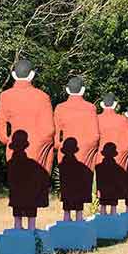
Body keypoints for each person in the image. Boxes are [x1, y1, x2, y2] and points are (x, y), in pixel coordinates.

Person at [0, 60, 54, 230]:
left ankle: (17, 224)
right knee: (32, 186)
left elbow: (1, 128)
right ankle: (31, 225)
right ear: (32, 75)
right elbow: (49, 128)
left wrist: (7, 141)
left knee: (17, 185)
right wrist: (43, 144)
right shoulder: (42, 97)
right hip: (36, 149)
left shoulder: (5, 96)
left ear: (14, 74)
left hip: (15, 148)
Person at [54, 77, 100, 221]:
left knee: (67, 182)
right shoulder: (91, 108)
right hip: (85, 152)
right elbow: (95, 135)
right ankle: (79, 215)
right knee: (81, 182)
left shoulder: (60, 108)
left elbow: (56, 134)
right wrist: (89, 151)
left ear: (67, 90)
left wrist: (59, 147)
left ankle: (66, 215)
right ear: (83, 90)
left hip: (65, 151)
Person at [95, 93, 128, 215]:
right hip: (117, 158)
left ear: (101, 104)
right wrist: (121, 157)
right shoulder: (122, 120)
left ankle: (102, 210)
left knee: (102, 183)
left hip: (100, 158)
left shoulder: (97, 119)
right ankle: (113, 211)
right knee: (114, 183)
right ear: (115, 105)